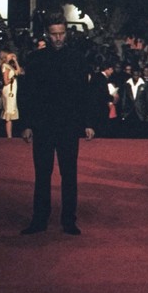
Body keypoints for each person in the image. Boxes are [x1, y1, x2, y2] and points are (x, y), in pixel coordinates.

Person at [18, 21, 95, 236]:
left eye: (62, 33)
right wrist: (26, 124)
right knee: (42, 174)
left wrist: (88, 123)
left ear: (66, 33)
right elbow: (27, 94)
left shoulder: (77, 58)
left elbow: (84, 93)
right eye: (54, 34)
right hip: (43, 125)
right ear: (47, 34)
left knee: (69, 174)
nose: (59, 38)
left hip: (68, 125)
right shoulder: (36, 59)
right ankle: (39, 219)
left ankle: (69, 220)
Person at [0, 50, 22, 138]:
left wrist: (15, 61)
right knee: (9, 112)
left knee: (11, 112)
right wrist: (12, 78)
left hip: (12, 90)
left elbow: (18, 71)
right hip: (9, 91)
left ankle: (10, 135)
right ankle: (9, 136)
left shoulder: (9, 66)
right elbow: (6, 81)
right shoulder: (5, 66)